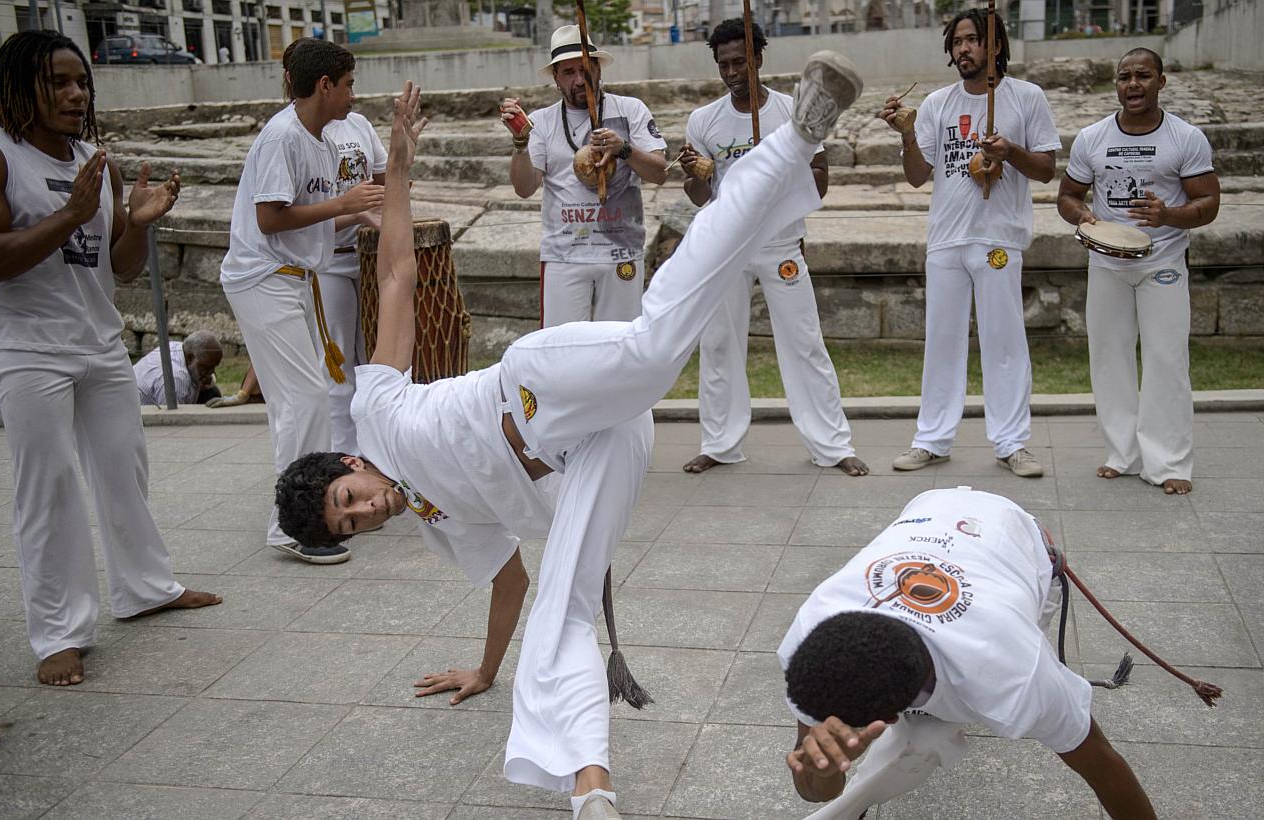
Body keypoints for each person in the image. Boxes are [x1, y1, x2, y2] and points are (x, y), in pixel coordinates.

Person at [275, 54, 863, 820]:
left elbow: (395, 279)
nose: (362, 514)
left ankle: (797, 136)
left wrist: (396, 168)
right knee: (566, 607)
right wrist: (485, 670)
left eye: (347, 499)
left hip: (534, 394)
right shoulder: (436, 528)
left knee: (655, 349)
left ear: (348, 463)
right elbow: (511, 583)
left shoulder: (376, 408)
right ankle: (594, 793)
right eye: (348, 526)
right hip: (592, 455)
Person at [0, 30, 220, 688]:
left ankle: (144, 587)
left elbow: (117, 269)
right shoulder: (1, 157)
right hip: (27, 347)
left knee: (125, 468)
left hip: (98, 342)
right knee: (51, 487)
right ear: (17, 88)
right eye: (57, 82)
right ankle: (59, 633)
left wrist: (140, 223)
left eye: (81, 82)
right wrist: (69, 213)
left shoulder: (100, 160)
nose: (74, 94)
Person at [779, 487, 1156, 819]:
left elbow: (1102, 766)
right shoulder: (811, 646)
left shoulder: (1016, 672)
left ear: (893, 716)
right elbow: (811, 786)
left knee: (927, 738)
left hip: (1015, 533)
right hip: (929, 510)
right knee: (911, 744)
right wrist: (823, 772)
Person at [678, 19, 867, 478]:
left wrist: (781, 185)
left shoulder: (791, 112)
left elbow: (819, 176)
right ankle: (720, 443)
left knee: (804, 343)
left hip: (780, 242)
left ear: (759, 57)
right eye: (723, 64)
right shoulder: (703, 120)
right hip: (726, 245)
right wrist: (700, 178)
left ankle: (831, 445)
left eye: (740, 61)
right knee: (719, 343)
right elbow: (699, 197)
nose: (731, 72)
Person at [221, 38, 383, 563]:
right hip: (262, 277)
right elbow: (270, 218)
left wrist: (355, 214)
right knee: (305, 400)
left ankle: (299, 513)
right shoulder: (283, 136)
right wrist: (345, 203)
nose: (354, 95)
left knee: (303, 400)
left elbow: (306, 216)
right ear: (324, 85)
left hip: (292, 277)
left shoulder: (320, 139)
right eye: (350, 83)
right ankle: (290, 524)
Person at [878, 7, 1059, 477]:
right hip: (946, 239)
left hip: (998, 238)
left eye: (973, 40)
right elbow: (918, 177)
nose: (964, 48)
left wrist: (1010, 152)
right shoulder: (937, 104)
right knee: (942, 342)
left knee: (1004, 343)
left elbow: (1046, 170)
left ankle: (1012, 442)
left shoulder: (1026, 97)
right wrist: (906, 137)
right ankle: (932, 439)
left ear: (995, 45)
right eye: (957, 41)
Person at [1056, 48, 1220, 496]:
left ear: (1161, 82)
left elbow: (1208, 205)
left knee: (1167, 361)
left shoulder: (1185, 138)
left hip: (1162, 261)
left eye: (1143, 76)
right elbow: (1067, 195)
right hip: (1107, 262)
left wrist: (1169, 215)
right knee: (1109, 359)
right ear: (1116, 84)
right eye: (1125, 77)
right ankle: (1122, 454)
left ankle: (1168, 463)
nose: (1133, 84)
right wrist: (1082, 215)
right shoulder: (1092, 137)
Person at [500, 25, 668, 327]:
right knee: (560, 352)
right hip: (565, 255)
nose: (579, 79)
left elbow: (660, 173)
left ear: (598, 68)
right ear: (556, 78)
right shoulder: (541, 121)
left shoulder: (631, 110)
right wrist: (520, 143)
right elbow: (524, 188)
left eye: (585, 69)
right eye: (568, 72)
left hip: (621, 251)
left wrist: (623, 149)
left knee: (620, 349)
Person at [284, 36, 388, 455]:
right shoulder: (298, 133)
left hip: (368, 258)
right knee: (339, 365)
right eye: (347, 83)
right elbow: (300, 215)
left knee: (377, 363)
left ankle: (382, 453)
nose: (352, 92)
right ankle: (346, 459)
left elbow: (380, 183)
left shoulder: (358, 124)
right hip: (327, 262)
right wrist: (357, 212)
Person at [133, 330, 224, 406]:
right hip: (140, 415)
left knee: (212, 392)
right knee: (210, 396)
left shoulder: (179, 347)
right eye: (206, 368)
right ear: (190, 358)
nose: (211, 373)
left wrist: (200, 384)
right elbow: (175, 419)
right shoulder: (176, 378)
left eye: (213, 367)